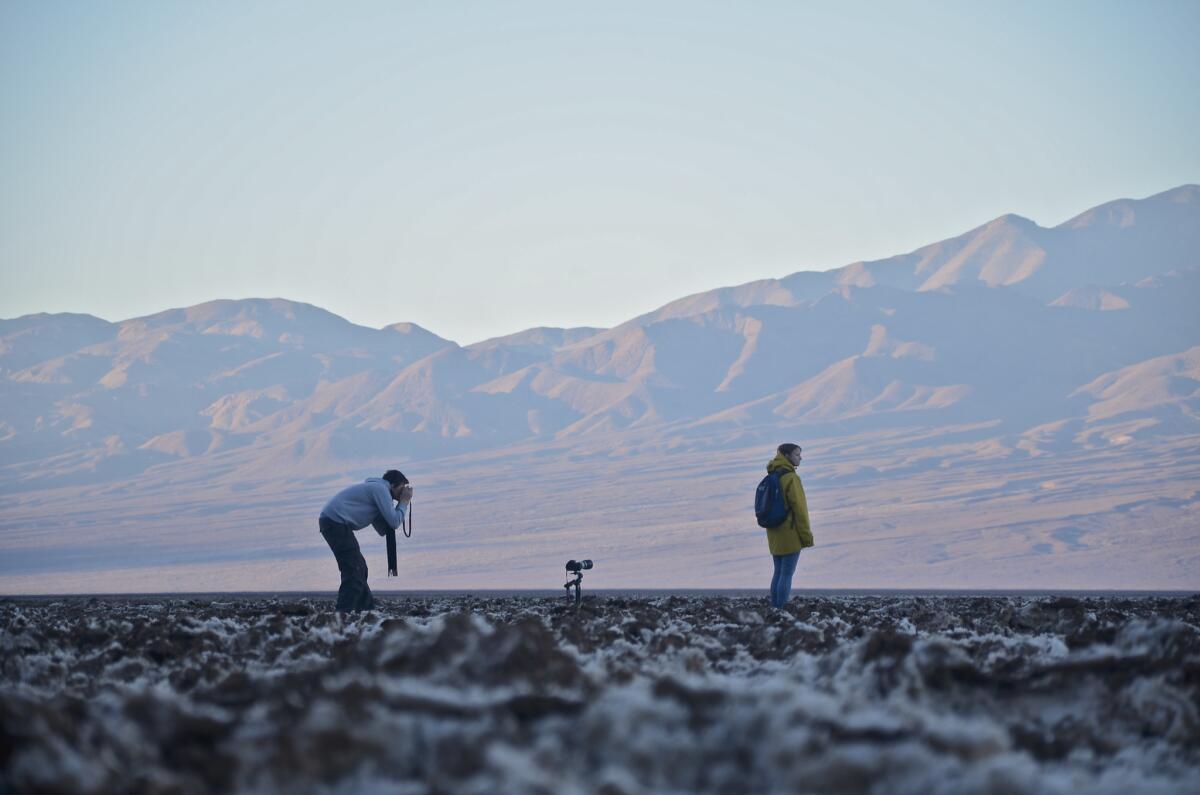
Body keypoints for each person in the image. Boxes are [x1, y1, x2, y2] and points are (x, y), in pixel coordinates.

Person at [318, 470, 412, 612]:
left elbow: (383, 530)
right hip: (336, 522)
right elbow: (394, 522)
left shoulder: (377, 491)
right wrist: (404, 502)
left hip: (334, 522)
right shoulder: (380, 489)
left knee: (360, 568)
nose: (403, 491)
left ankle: (367, 611)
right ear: (393, 484)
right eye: (402, 488)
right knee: (354, 569)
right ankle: (342, 614)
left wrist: (396, 508)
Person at [763, 443, 813, 608]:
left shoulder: (773, 475)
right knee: (786, 573)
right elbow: (800, 510)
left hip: (774, 532)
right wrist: (806, 537)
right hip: (790, 533)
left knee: (778, 572)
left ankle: (775, 608)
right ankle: (782, 609)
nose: (800, 458)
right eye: (797, 454)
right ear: (786, 456)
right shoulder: (791, 478)